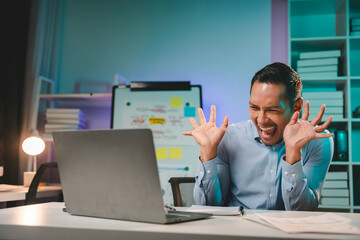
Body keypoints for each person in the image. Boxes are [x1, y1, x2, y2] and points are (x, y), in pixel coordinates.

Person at [183, 62, 334, 210]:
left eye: (273, 110)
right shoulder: (228, 137)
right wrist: (208, 151)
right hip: (237, 230)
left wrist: (293, 151)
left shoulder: (317, 141)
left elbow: (302, 212)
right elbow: (208, 207)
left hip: (284, 233)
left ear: (296, 107)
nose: (261, 119)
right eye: (254, 107)